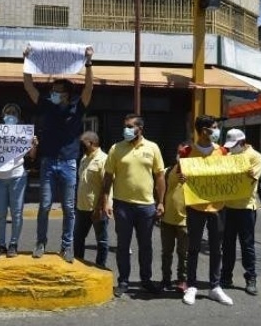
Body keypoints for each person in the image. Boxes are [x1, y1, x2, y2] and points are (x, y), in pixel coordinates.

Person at [23, 46, 94, 263]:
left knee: (68, 208)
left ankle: (66, 247)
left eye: (56, 90)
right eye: (52, 89)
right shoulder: (46, 105)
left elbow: (89, 87)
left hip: (69, 163)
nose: (52, 93)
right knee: (44, 205)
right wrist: (26, 61)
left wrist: (89, 62)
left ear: (66, 93)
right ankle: (40, 242)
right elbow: (28, 86)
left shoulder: (76, 106)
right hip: (48, 162)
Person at [98, 114, 166, 297]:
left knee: (146, 246)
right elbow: (108, 177)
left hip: (146, 207)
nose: (126, 130)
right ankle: (123, 281)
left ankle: (146, 280)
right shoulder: (116, 148)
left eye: (130, 126)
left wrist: (161, 202)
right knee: (123, 246)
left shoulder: (152, 148)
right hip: (122, 206)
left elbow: (160, 176)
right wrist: (106, 201)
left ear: (140, 129)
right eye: (125, 126)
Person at [180, 115, 233, 306]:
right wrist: (182, 179)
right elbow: (180, 175)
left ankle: (215, 287)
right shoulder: (187, 152)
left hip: (218, 207)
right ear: (204, 131)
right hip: (195, 207)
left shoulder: (223, 152)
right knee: (193, 247)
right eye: (215, 128)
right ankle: (192, 285)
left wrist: (248, 175)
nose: (218, 131)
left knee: (216, 249)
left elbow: (232, 176)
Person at [0, 103, 38, 259]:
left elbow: (31, 156)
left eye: (13, 113)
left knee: (17, 213)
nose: (10, 115)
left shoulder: (24, 133)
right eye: (7, 113)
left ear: (18, 117)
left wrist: (34, 144)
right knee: (0, 214)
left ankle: (13, 244)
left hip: (17, 175)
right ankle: (0, 245)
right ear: (3, 116)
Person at [221, 128, 261, 296]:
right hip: (228, 207)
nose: (231, 148)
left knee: (247, 246)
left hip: (246, 208)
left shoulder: (255, 157)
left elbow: (253, 180)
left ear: (242, 142)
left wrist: (249, 174)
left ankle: (251, 278)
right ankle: (226, 277)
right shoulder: (228, 157)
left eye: (234, 145)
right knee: (227, 245)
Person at [73, 131, 110, 268]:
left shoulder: (104, 159)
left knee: (101, 241)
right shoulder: (84, 158)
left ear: (91, 143)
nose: (80, 145)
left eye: (83, 143)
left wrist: (100, 207)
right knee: (78, 239)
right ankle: (78, 265)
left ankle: (100, 267)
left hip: (97, 208)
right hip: (82, 207)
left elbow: (105, 187)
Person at [160, 145, 189, 293]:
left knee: (184, 254)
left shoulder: (195, 172)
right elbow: (160, 190)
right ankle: (166, 279)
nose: (180, 154)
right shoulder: (168, 171)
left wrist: (190, 181)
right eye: (178, 151)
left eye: (183, 152)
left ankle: (182, 280)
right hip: (167, 220)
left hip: (185, 221)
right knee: (166, 253)